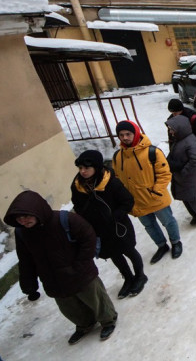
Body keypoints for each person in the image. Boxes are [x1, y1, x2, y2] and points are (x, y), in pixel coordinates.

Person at [6, 191, 118, 344]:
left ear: (37, 211)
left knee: (96, 299)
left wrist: (81, 264)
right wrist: (29, 286)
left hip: (80, 273)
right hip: (53, 279)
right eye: (19, 219)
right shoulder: (22, 233)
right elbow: (26, 260)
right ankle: (85, 324)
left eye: (26, 216)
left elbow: (88, 237)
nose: (23, 221)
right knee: (70, 308)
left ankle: (108, 320)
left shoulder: (64, 219)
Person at [71, 150, 146, 300]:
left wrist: (114, 216)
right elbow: (77, 205)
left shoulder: (111, 182)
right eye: (80, 168)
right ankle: (128, 278)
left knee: (129, 250)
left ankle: (140, 276)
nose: (83, 171)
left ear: (97, 167)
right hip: (99, 230)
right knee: (114, 255)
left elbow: (128, 201)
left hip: (118, 227)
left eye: (86, 168)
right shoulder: (77, 186)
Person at [113, 120, 182, 263]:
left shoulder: (153, 152)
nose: (125, 137)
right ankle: (161, 245)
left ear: (136, 133)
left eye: (128, 134)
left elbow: (164, 174)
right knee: (149, 226)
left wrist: (155, 191)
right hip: (136, 201)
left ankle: (176, 242)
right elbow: (118, 178)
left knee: (168, 222)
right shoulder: (118, 157)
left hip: (155, 198)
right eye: (121, 135)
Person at [168, 99, 196, 202]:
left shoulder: (192, 117)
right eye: (172, 112)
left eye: (176, 112)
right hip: (182, 152)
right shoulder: (172, 120)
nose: (174, 114)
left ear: (181, 109)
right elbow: (171, 137)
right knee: (191, 176)